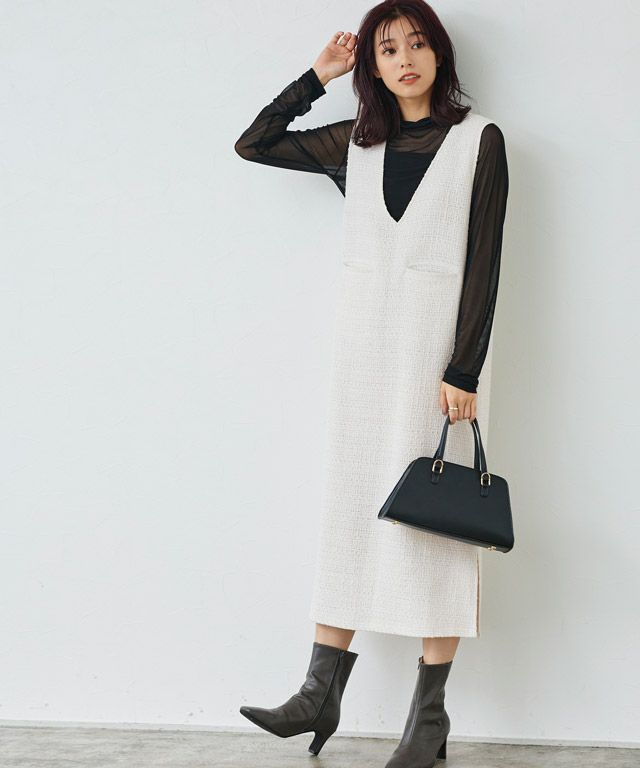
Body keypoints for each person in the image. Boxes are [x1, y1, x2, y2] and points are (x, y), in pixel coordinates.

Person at [234, 1, 509, 765]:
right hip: (363, 356)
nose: (405, 59)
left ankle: (429, 720)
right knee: (352, 510)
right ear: (373, 68)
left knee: (436, 525)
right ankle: (318, 692)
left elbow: (485, 260)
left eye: (417, 44)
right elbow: (255, 144)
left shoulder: (479, 141)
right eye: (387, 50)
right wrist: (317, 75)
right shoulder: (356, 144)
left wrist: (463, 369)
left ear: (439, 55)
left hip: (437, 363)